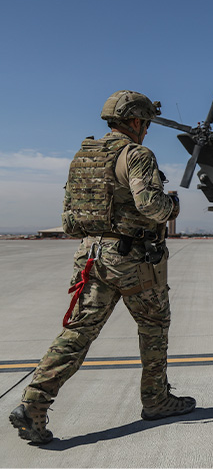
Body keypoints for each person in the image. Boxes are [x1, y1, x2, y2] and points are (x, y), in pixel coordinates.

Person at [9, 90, 195, 445]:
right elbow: (151, 207)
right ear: (137, 121)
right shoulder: (137, 154)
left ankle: (33, 404)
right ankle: (155, 400)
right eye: (146, 124)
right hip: (132, 260)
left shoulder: (84, 156)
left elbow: (68, 218)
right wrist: (172, 205)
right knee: (154, 324)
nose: (146, 131)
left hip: (91, 256)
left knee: (78, 332)